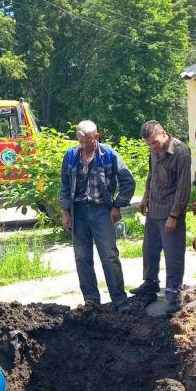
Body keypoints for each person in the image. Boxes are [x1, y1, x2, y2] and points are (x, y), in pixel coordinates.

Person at [59, 120, 135, 313]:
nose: (84, 146)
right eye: (81, 142)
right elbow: (65, 186)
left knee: (109, 256)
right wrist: (65, 212)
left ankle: (119, 300)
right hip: (78, 212)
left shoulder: (109, 155)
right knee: (82, 257)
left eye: (88, 142)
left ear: (97, 136)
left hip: (102, 211)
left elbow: (128, 181)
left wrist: (117, 205)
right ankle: (91, 300)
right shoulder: (70, 156)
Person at [130, 120, 192, 313]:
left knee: (173, 256)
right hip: (153, 210)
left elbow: (183, 188)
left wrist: (174, 216)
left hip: (170, 213)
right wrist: (145, 197)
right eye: (150, 144)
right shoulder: (153, 151)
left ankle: (173, 294)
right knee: (149, 250)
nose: (153, 147)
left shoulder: (181, 152)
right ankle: (150, 284)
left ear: (163, 133)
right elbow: (151, 175)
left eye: (155, 142)